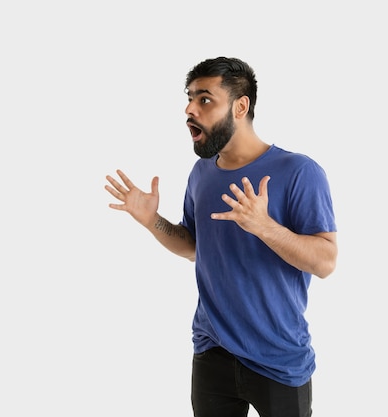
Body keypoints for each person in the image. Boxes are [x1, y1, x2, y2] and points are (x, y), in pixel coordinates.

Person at [104, 56, 337, 417]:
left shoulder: (299, 171)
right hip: (212, 352)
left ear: (240, 106)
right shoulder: (201, 173)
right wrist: (152, 221)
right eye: (190, 97)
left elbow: (325, 262)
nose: (189, 108)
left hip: (279, 357)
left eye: (205, 99)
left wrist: (264, 226)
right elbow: (196, 247)